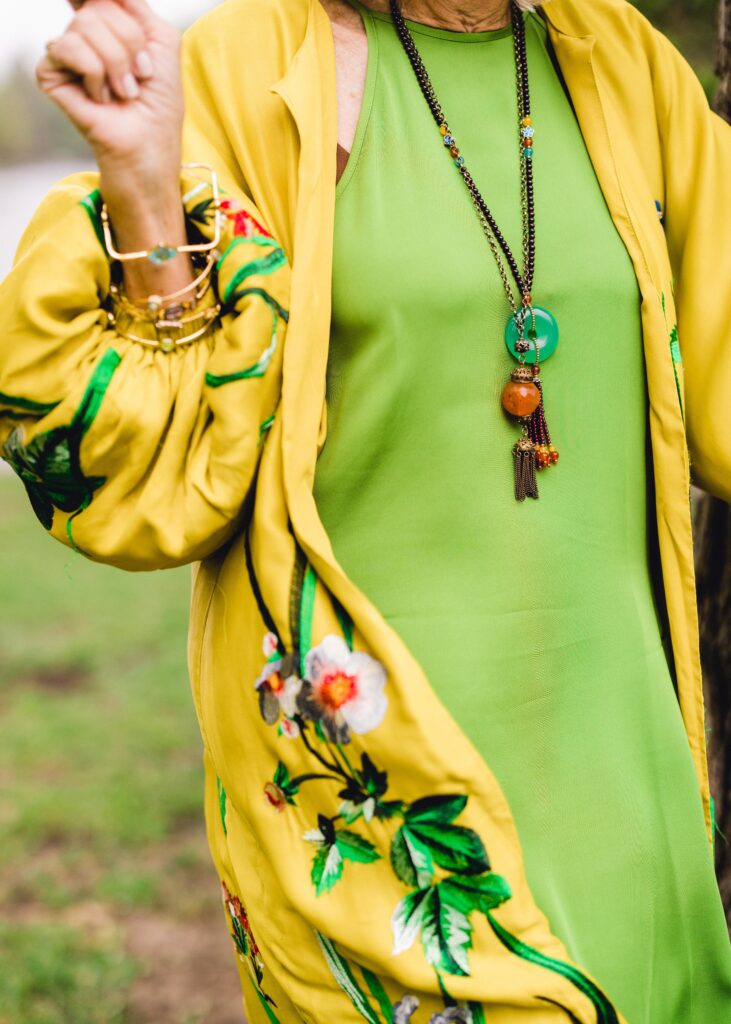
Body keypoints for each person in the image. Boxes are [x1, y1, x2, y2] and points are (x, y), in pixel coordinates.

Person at [1, 0, 730, 1019]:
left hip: (621, 766)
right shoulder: (237, 67)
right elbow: (150, 481)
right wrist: (141, 192)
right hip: (375, 783)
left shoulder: (619, 60)